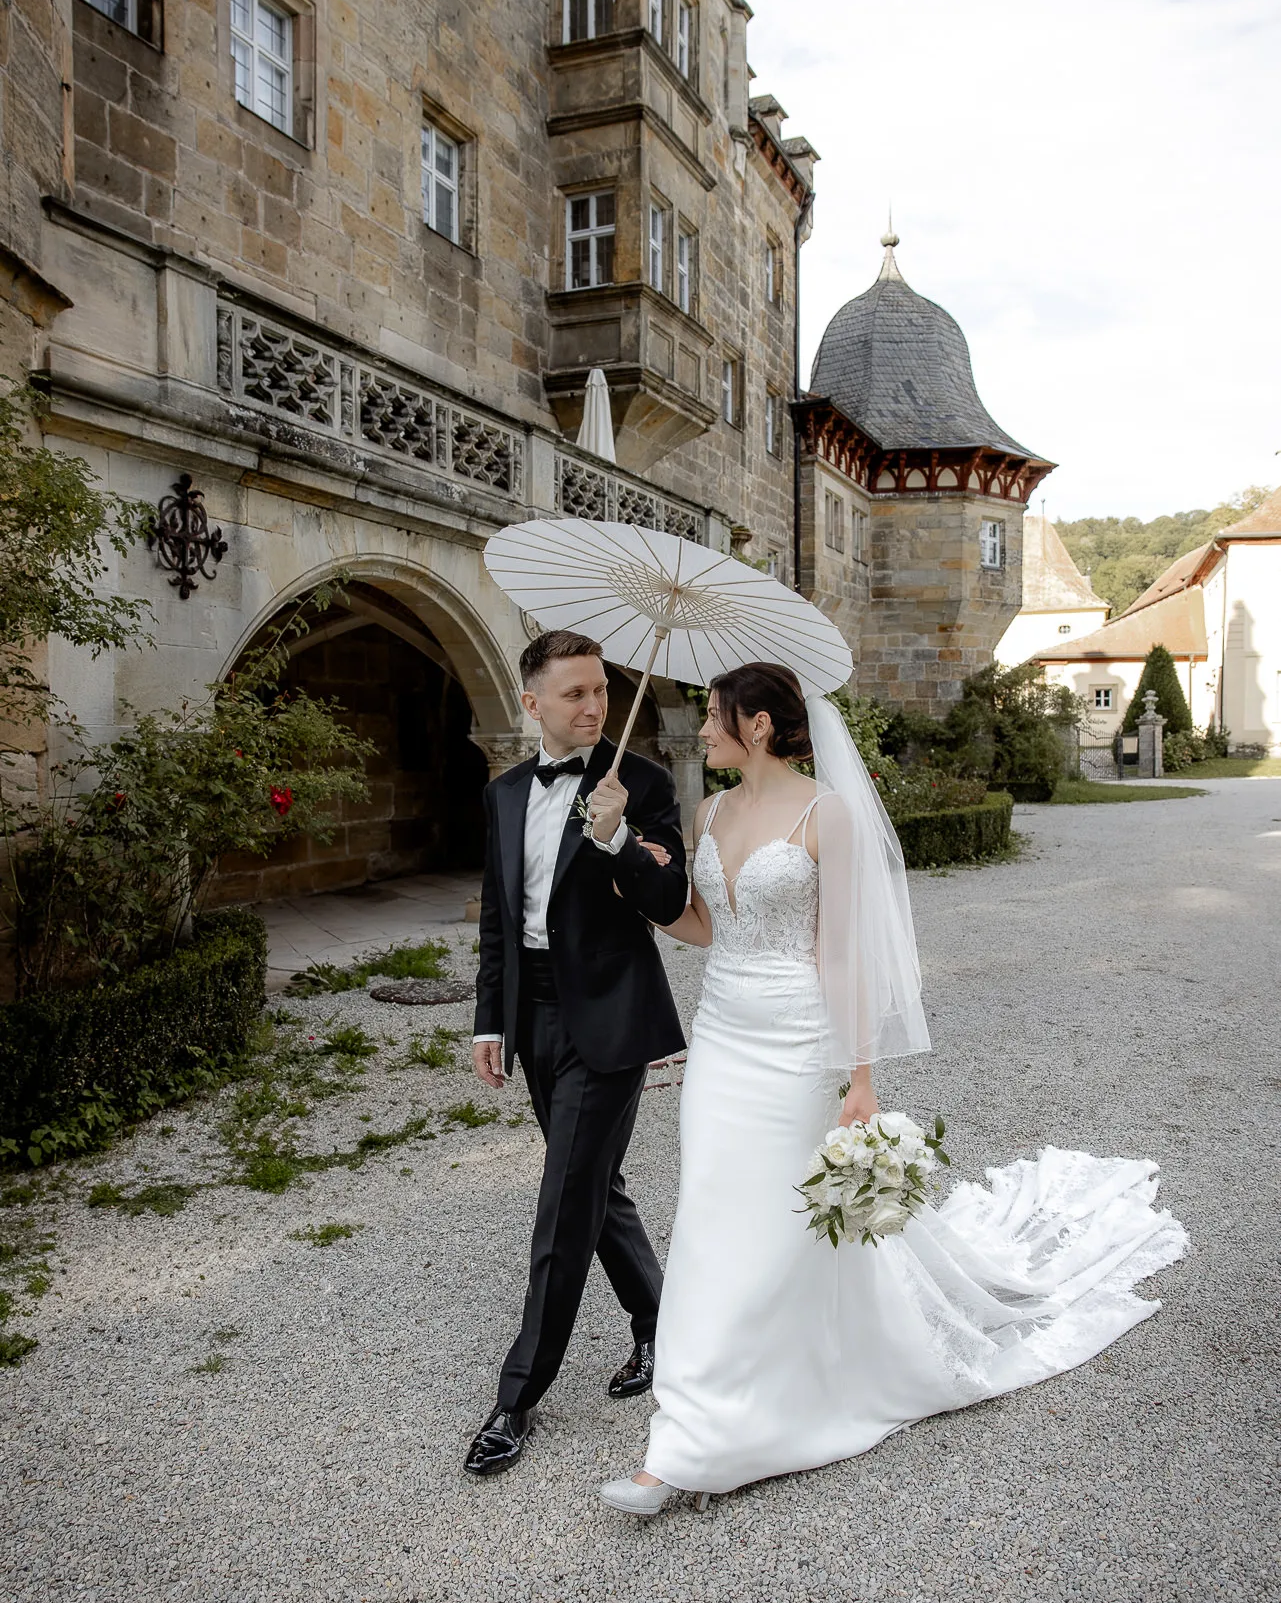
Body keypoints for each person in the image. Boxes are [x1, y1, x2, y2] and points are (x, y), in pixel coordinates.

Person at [599, 662, 1188, 1513]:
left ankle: (703, 1440)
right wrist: (618, 845)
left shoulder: (823, 814)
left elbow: (841, 952)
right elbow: (699, 924)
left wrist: (860, 1077)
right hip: (722, 1038)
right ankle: (702, 1417)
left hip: (797, 1044)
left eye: (713, 716)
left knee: (773, 1225)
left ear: (758, 725)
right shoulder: (711, 809)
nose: (698, 732)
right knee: (710, 1215)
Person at [465, 630, 688, 1476]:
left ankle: (516, 1397)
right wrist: (492, 1022)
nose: (593, 707)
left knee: (563, 1204)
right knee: (598, 1185)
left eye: (599, 690)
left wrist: (617, 837)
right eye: (573, 694)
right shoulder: (505, 793)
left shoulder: (644, 783)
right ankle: (660, 1323)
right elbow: (499, 914)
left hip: (610, 1020)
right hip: (533, 1018)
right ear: (532, 705)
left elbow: (671, 901)